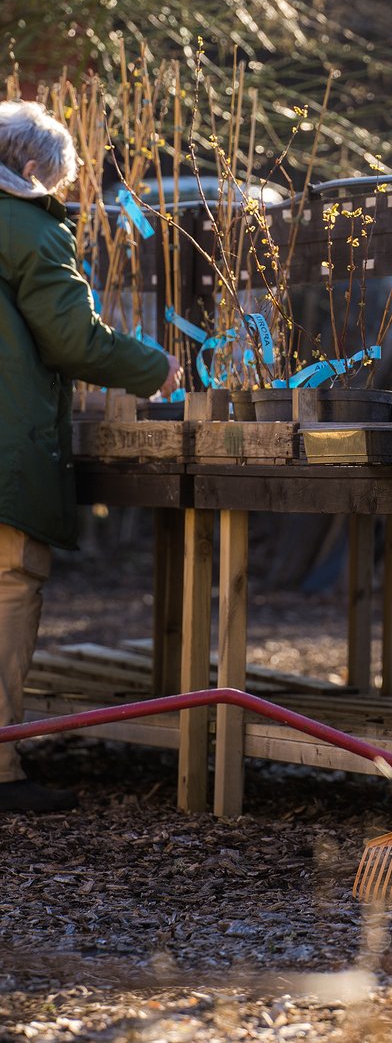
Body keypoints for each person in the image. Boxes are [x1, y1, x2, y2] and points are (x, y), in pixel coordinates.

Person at [0, 100, 182, 813]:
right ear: (32, 170)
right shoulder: (26, 228)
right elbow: (72, 337)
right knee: (9, 587)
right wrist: (152, 367)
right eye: (54, 182)